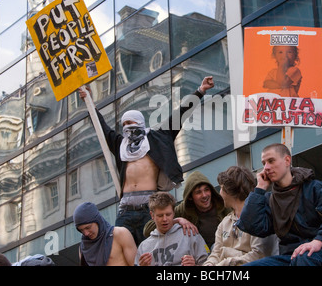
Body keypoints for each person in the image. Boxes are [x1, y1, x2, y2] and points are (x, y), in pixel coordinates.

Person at [78, 76, 214, 246]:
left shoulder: (157, 138)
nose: (128, 126)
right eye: (124, 123)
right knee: (123, 252)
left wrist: (200, 91)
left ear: (140, 122)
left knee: (151, 253)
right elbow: (102, 129)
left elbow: (179, 116)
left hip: (148, 209)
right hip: (125, 209)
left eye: (131, 122)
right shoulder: (121, 144)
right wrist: (89, 102)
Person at [238, 143, 322, 266]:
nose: (266, 167)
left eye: (271, 161)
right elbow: (251, 225)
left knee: (304, 257)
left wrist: (318, 241)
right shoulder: (270, 199)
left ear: (287, 160)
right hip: (290, 257)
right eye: (264, 163)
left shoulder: (314, 188)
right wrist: (260, 189)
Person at [203, 166, 273, 266]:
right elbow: (215, 253)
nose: (220, 193)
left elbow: (258, 255)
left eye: (221, 188)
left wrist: (226, 262)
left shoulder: (256, 217)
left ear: (229, 190)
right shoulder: (224, 223)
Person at [143, 170, 230, 249]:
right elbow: (147, 230)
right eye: (198, 192)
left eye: (206, 190)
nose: (204, 195)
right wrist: (177, 220)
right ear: (190, 197)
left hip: (223, 252)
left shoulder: (223, 205)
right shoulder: (184, 209)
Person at [135, 192, 209, 266]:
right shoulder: (144, 247)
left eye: (168, 214)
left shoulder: (190, 234)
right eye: (160, 215)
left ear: (174, 212)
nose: (164, 219)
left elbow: (208, 263)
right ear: (152, 215)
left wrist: (194, 265)